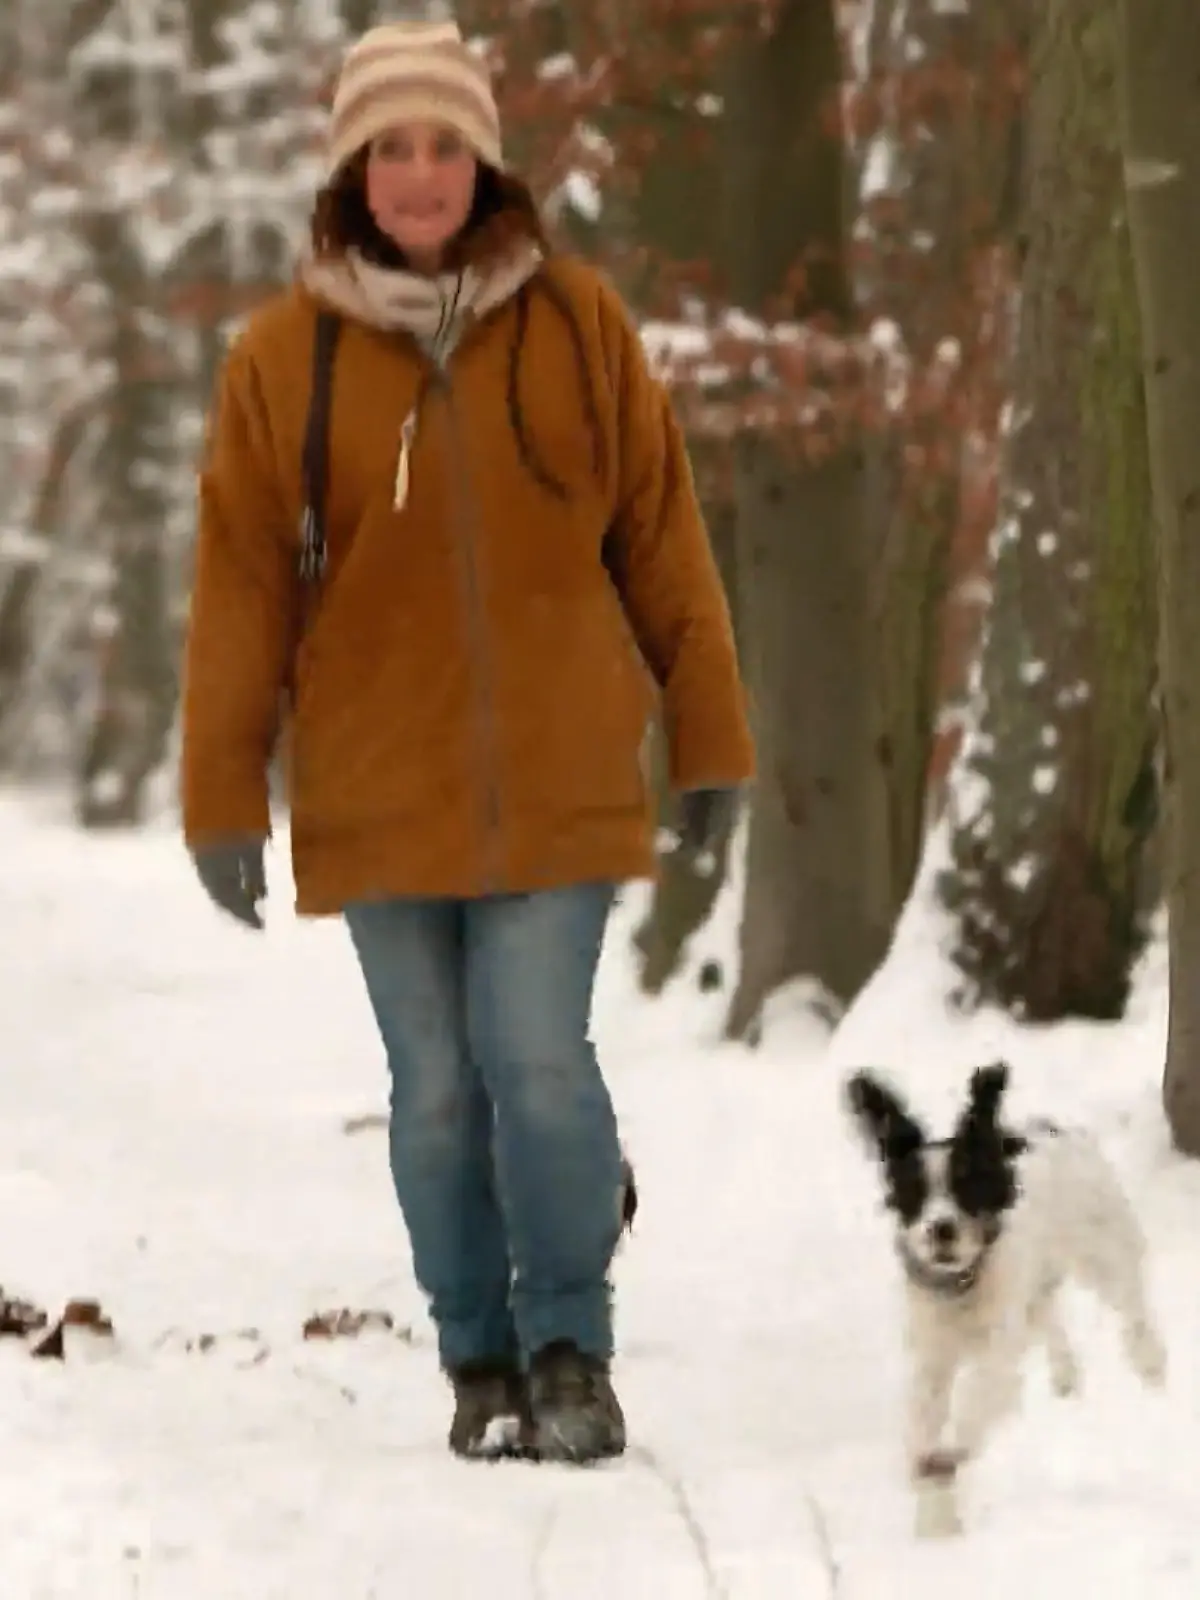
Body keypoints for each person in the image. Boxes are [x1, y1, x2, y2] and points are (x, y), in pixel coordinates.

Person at [179, 19, 755, 1465]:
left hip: (558, 775)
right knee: (436, 1094)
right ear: (352, 171)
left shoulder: (577, 327)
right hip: (379, 789)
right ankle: (476, 1356)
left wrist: (711, 744)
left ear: (484, 163)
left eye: (444, 145)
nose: (420, 173)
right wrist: (220, 794)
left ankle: (569, 1340)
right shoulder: (279, 362)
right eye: (392, 148)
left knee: (535, 1060)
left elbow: (664, 544)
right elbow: (243, 589)